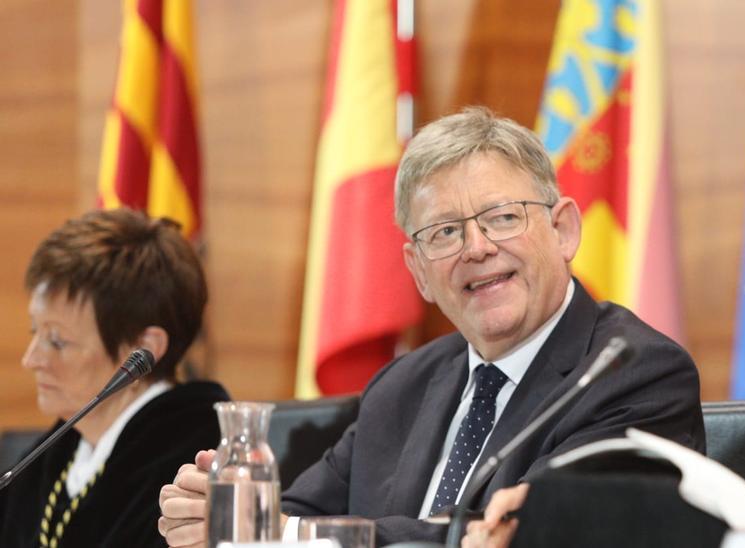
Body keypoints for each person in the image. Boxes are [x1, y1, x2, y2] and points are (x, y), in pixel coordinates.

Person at [157, 107, 705, 546]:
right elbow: (297, 516)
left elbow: (531, 533)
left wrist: (285, 532)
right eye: (444, 233)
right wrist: (222, 522)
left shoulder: (633, 372)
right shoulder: (403, 385)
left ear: (562, 229)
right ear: (418, 271)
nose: (477, 248)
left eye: (503, 217)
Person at [0, 209, 229, 547]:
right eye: (35, 333)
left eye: (57, 341)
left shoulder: (193, 461)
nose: (30, 359)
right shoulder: (59, 451)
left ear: (142, 349)